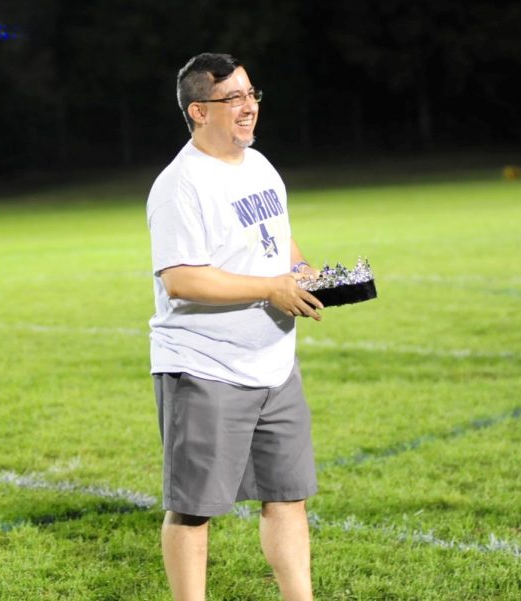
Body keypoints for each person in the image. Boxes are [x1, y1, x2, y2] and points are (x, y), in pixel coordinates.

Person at [146, 52, 323, 600]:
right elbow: (181, 279)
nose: (249, 108)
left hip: (274, 366)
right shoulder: (181, 185)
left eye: (252, 95)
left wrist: (301, 272)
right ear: (199, 111)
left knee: (287, 496)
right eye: (234, 99)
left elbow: (279, 236)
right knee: (194, 509)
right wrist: (270, 289)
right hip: (206, 369)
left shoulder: (260, 164)